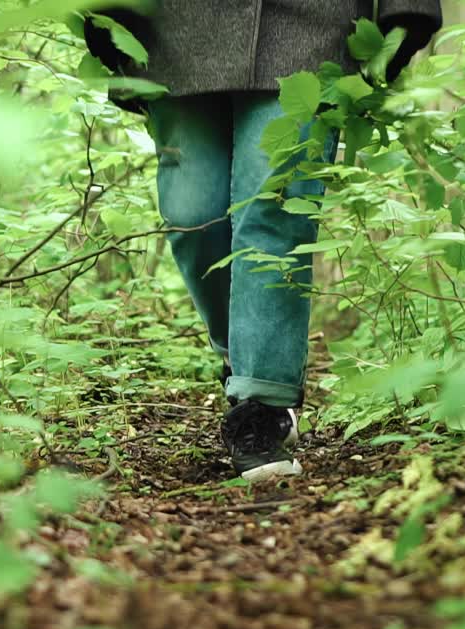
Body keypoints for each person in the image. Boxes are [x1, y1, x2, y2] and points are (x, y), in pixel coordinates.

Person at [84, 1, 443, 482]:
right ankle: (245, 356)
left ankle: (262, 406)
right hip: (173, 29)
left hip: (310, 26)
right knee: (193, 214)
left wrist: (408, 10)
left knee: (276, 206)